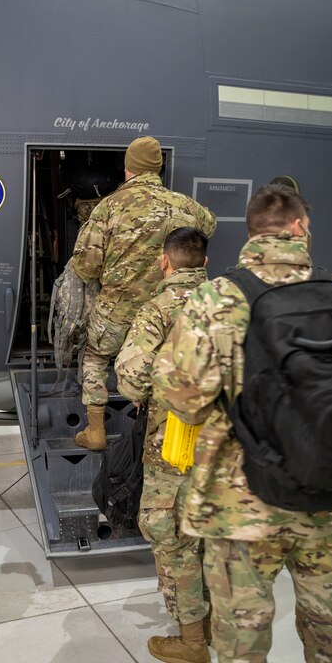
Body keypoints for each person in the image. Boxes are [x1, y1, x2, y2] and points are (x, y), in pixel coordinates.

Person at [152, 185, 332, 663]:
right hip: (329, 499)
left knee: (243, 647)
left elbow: (187, 401)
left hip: (241, 508)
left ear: (250, 234)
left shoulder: (217, 297)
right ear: (300, 227)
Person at [70, 135, 216, 450]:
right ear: (158, 169)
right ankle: (154, 428)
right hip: (169, 311)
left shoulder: (109, 207)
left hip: (116, 313)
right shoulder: (186, 205)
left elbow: (84, 267)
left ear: (128, 169)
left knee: (95, 358)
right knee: (165, 360)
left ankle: (95, 431)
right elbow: (209, 226)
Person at [115, 227, 211, 663]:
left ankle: (192, 640)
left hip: (172, 444)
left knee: (171, 536)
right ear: (204, 262)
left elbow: (131, 376)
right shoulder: (232, 304)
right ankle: (215, 625)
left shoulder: (158, 309)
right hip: (226, 448)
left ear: (164, 262)